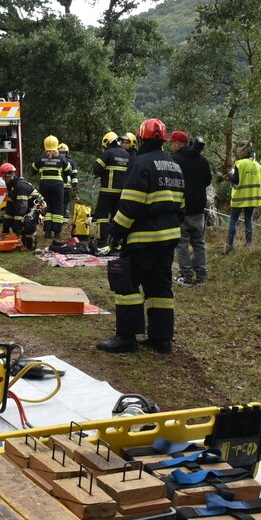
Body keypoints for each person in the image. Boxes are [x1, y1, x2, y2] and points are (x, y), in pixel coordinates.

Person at [96, 118, 184, 355]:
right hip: (169, 237)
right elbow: (181, 206)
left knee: (127, 284)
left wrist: (116, 231)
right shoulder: (174, 165)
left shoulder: (140, 163)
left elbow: (131, 204)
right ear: (163, 140)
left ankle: (126, 338)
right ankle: (161, 338)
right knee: (160, 287)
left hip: (143, 238)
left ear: (141, 139)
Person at [169, 131, 212, 285]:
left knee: (182, 244)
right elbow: (207, 181)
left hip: (182, 209)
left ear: (178, 144)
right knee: (199, 243)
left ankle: (186, 276)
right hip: (199, 209)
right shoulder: (203, 160)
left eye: (172, 143)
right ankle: (201, 276)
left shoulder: (174, 160)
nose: (171, 146)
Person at [92, 130, 130, 246]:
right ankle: (115, 243)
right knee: (117, 218)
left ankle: (102, 242)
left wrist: (102, 174)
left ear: (107, 142)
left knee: (101, 216)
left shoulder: (108, 153)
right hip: (121, 193)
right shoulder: (126, 155)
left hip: (106, 192)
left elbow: (96, 168)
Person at [226, 141, 261, 252]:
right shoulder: (259, 166)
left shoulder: (240, 164)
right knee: (249, 220)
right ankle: (249, 245)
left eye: (238, 150)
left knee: (233, 220)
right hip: (252, 198)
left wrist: (230, 174)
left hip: (239, 198)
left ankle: (230, 246)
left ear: (244, 151)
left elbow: (236, 180)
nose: (237, 152)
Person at [31, 135, 71, 241]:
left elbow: (33, 169)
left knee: (46, 206)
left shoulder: (41, 157)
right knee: (58, 207)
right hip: (58, 185)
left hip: (44, 185)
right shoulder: (61, 158)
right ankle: (57, 232)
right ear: (56, 145)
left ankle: (47, 231)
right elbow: (68, 171)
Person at [0, 163, 35, 235]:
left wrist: (18, 223)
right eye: (3, 178)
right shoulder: (11, 185)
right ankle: (19, 232)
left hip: (35, 207)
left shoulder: (20, 186)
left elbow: (22, 207)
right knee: (13, 220)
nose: (4, 179)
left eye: (5, 177)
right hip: (26, 206)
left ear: (11, 175)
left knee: (27, 221)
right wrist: (6, 226)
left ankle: (29, 237)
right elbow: (9, 207)